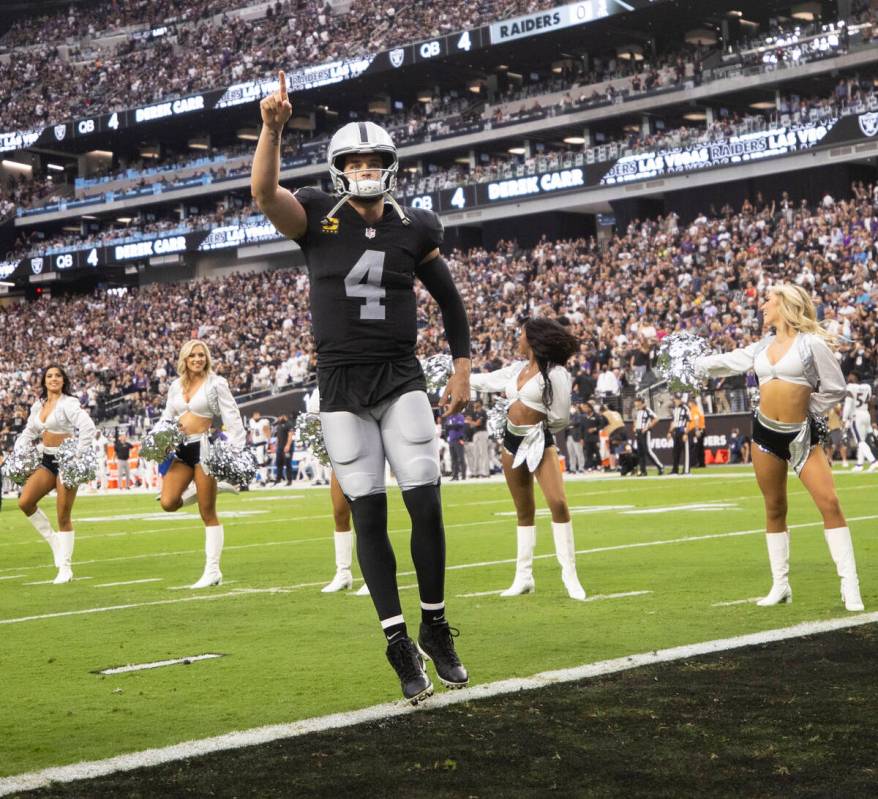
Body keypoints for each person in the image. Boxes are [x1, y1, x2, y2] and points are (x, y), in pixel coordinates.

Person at [252, 74, 471, 704]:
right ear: (339, 168)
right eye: (355, 161)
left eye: (375, 160)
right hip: (342, 383)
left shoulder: (415, 224)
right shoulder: (318, 214)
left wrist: (460, 364)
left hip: (401, 374)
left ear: (391, 167)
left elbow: (449, 300)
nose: (366, 169)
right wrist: (272, 127)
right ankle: (397, 639)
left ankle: (434, 623)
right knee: (367, 510)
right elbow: (264, 192)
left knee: (426, 502)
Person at [696, 284, 864, 611]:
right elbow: (730, 362)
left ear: (785, 305)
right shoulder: (762, 346)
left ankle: (850, 585)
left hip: (800, 434)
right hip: (764, 434)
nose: (762, 306)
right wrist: (694, 364)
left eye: (768, 301)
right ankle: (780, 585)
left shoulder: (811, 344)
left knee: (829, 502)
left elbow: (835, 388)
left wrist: (808, 407)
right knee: (774, 508)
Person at [469, 318, 586, 600]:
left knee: (557, 503)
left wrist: (538, 432)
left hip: (539, 441)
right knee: (523, 510)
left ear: (533, 340)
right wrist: (459, 374)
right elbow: (485, 381)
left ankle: (569, 574)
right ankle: (523, 576)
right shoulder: (516, 369)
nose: (518, 340)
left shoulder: (556, 373)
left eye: (521, 335)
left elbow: (561, 417)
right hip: (511, 441)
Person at [157, 340, 245, 589]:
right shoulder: (175, 386)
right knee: (168, 502)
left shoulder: (216, 383)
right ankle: (210, 488)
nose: (197, 359)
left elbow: (232, 417)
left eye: (201, 355)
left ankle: (213, 570)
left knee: (207, 513)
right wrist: (160, 438)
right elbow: (167, 416)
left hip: (204, 448)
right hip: (180, 449)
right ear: (184, 359)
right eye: (192, 355)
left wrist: (235, 451)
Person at [15, 365, 96, 584]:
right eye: (49, 376)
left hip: (67, 461)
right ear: (43, 381)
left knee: (63, 515)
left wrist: (77, 454)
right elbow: (30, 431)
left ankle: (65, 568)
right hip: (47, 460)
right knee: (25, 502)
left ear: (63, 380)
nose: (53, 379)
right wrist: (20, 448)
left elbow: (88, 427)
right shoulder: (38, 405)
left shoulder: (68, 403)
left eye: (58, 376)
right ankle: (54, 543)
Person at [843, 372, 877, 471]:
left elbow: (848, 404)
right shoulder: (867, 386)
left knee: (860, 441)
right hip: (866, 413)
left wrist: (844, 419)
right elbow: (870, 401)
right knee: (861, 441)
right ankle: (859, 464)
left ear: (855, 377)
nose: (849, 378)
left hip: (856, 415)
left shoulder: (850, 387)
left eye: (851, 376)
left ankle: (873, 461)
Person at [632, 396, 664, 476]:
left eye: (638, 403)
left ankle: (660, 466)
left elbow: (656, 418)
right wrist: (635, 427)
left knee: (648, 451)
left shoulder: (647, 410)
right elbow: (635, 420)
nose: (636, 405)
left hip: (644, 432)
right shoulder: (637, 411)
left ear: (642, 403)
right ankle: (643, 471)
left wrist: (648, 427)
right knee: (640, 452)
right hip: (638, 432)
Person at [666, 394, 691, 474]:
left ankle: (686, 470)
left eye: (676, 399)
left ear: (680, 400)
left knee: (686, 451)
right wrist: (669, 432)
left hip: (682, 430)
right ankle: (675, 470)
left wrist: (686, 433)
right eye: (674, 399)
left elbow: (689, 422)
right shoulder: (674, 409)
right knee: (675, 452)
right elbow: (673, 422)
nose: (675, 401)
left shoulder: (685, 408)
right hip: (676, 431)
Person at [273, 414, 293, 484]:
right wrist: (276, 445)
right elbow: (278, 436)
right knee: (279, 463)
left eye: (279, 417)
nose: (278, 418)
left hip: (287, 447)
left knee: (288, 463)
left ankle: (289, 480)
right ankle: (278, 479)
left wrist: (287, 445)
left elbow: (290, 436)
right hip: (280, 447)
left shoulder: (289, 424)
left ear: (284, 416)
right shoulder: (279, 425)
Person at [688, 397, 706, 468]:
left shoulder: (694, 409)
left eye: (689, 403)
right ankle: (702, 463)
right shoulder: (699, 409)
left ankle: (694, 463)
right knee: (700, 447)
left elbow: (696, 419)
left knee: (695, 447)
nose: (688, 405)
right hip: (701, 429)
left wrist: (696, 430)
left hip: (697, 430)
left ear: (692, 403)